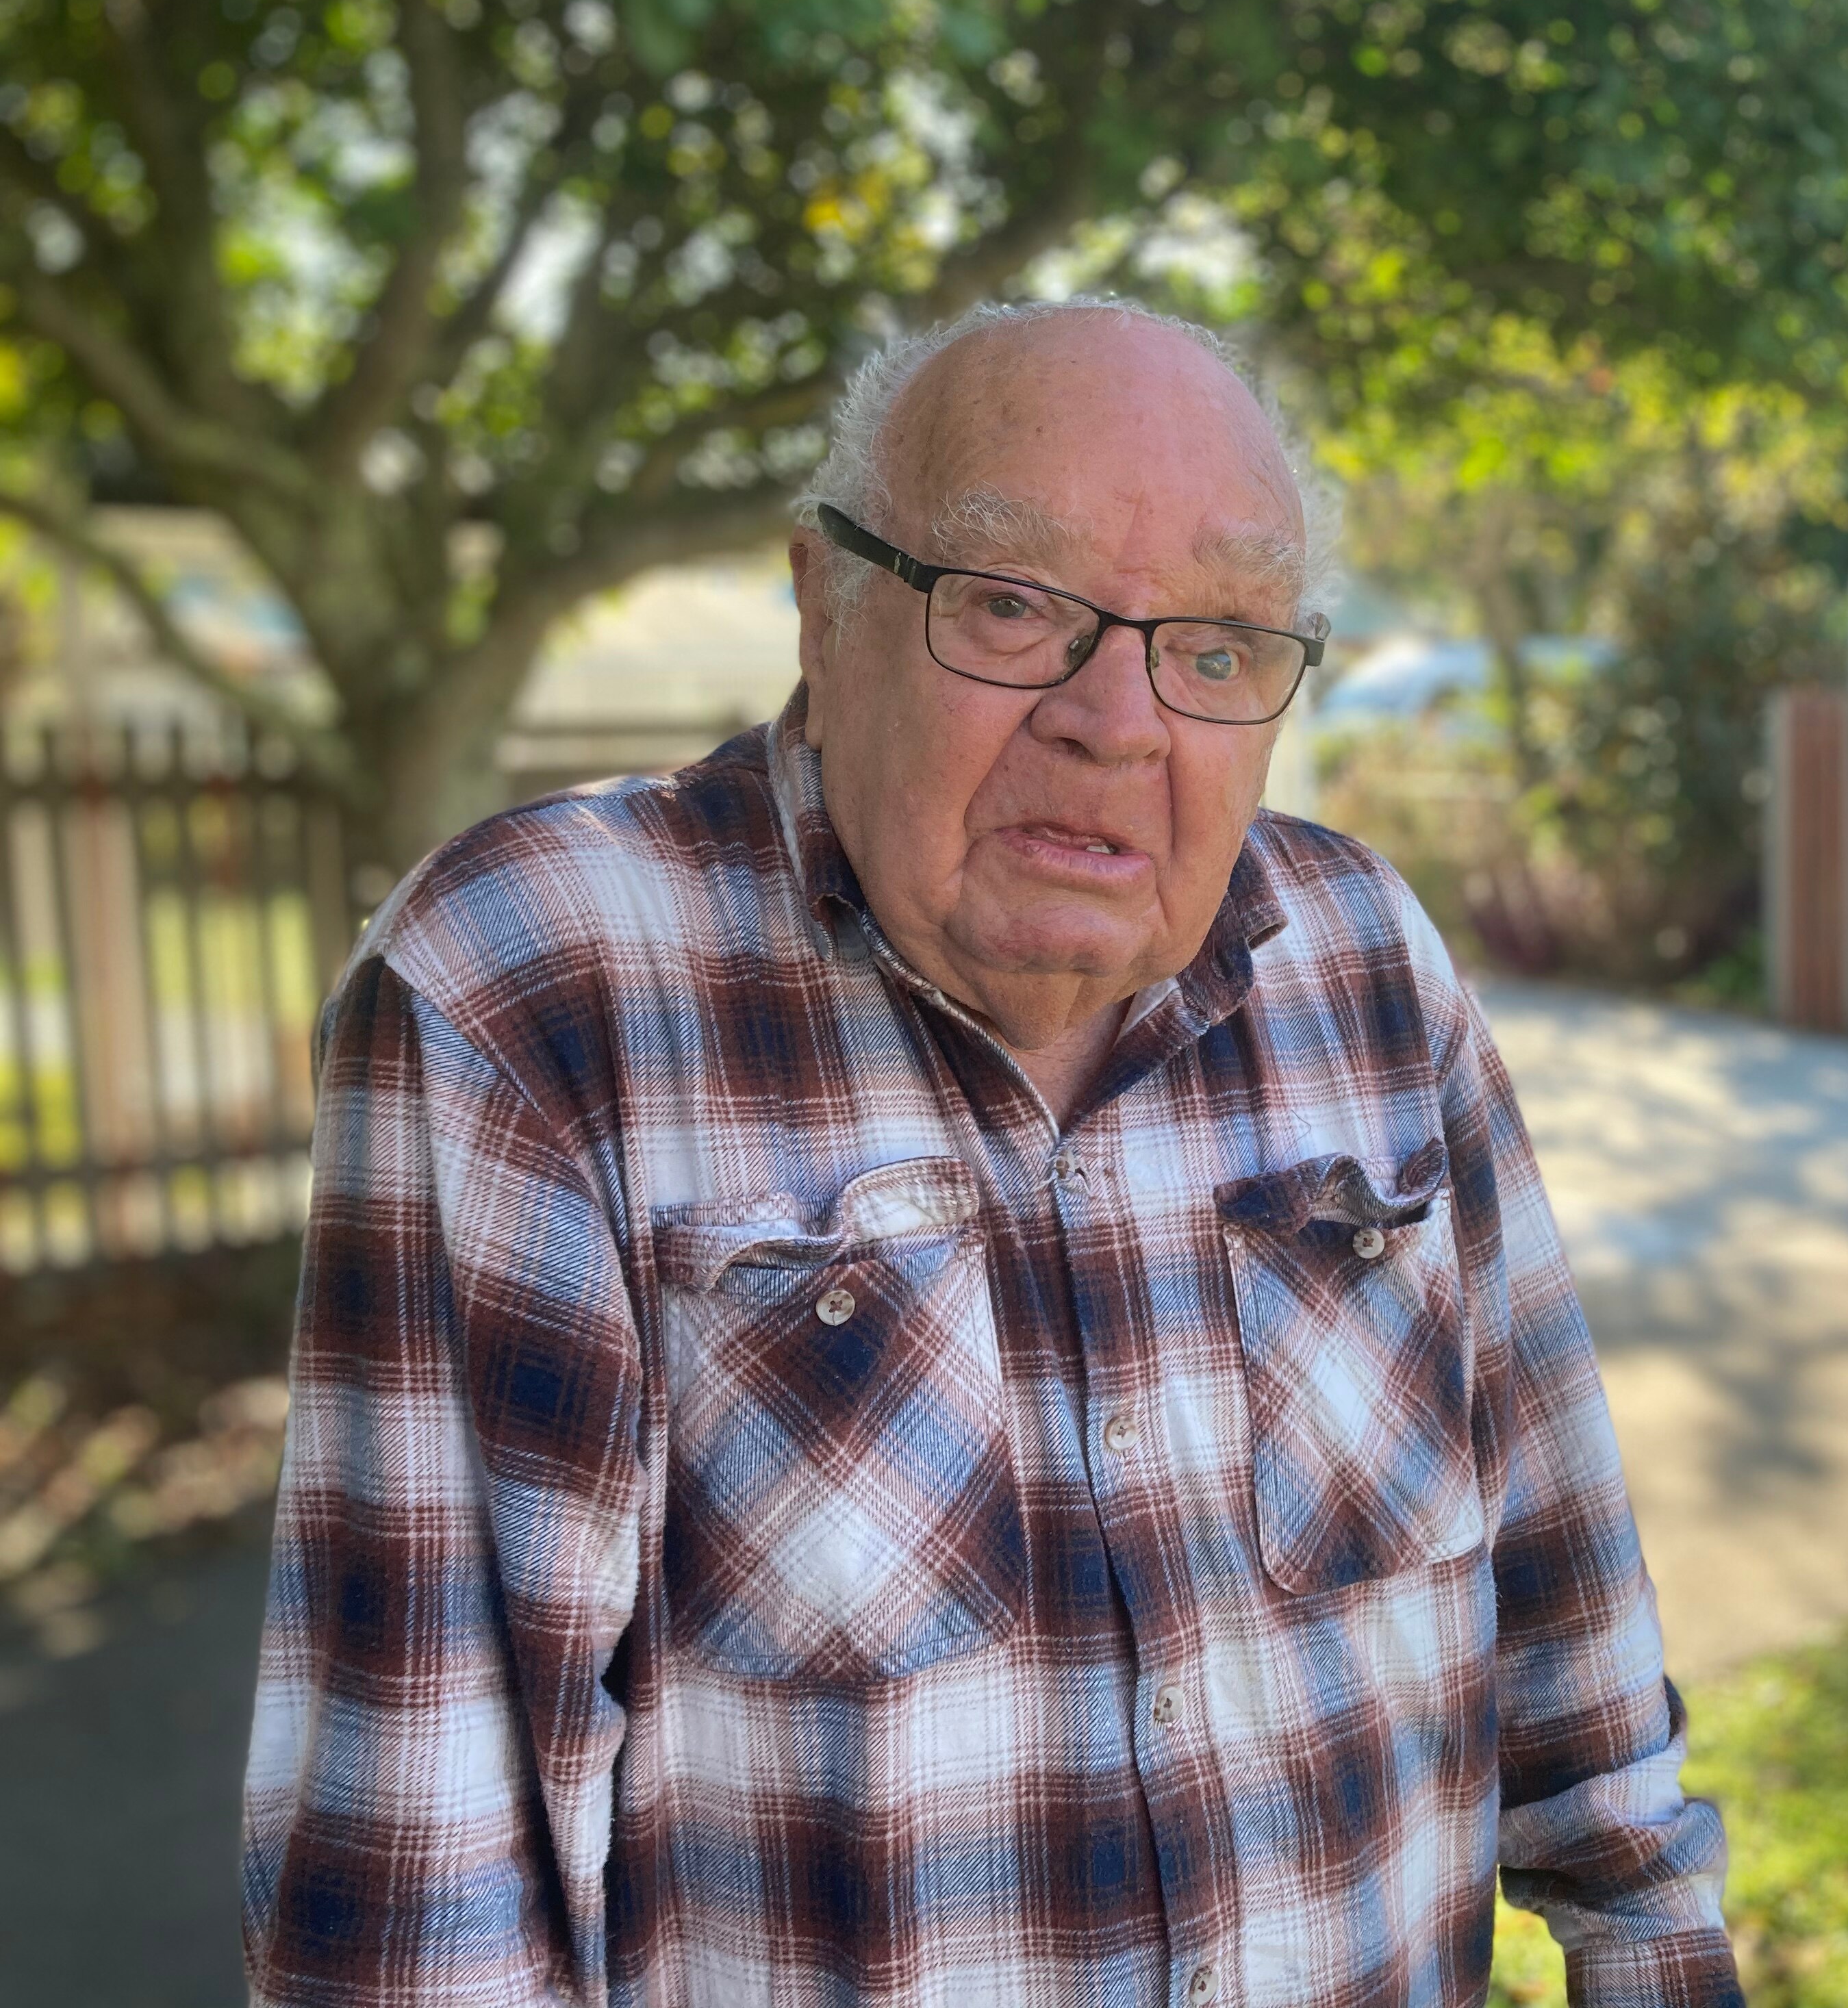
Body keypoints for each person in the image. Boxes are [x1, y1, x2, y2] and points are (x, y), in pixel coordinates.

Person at [240, 299, 1736, 2007]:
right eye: (1013, 605)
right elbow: (418, 1912)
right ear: (827, 601)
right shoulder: (537, 985)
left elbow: (1580, 1641)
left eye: (1222, 643)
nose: (1120, 719)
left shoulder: (1368, 961)